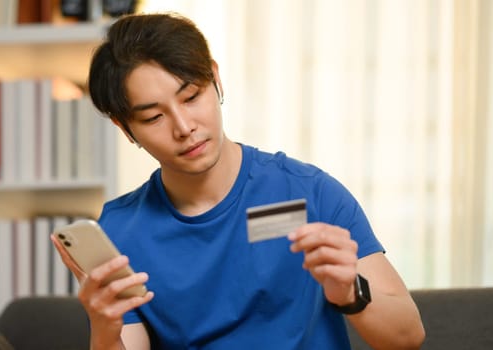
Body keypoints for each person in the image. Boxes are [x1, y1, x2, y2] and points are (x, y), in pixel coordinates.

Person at [51, 12, 425, 350]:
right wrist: (103, 329)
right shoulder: (121, 230)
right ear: (124, 127)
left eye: (192, 96)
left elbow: (408, 337)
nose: (185, 128)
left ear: (215, 79)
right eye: (153, 118)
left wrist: (350, 293)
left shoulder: (309, 193)